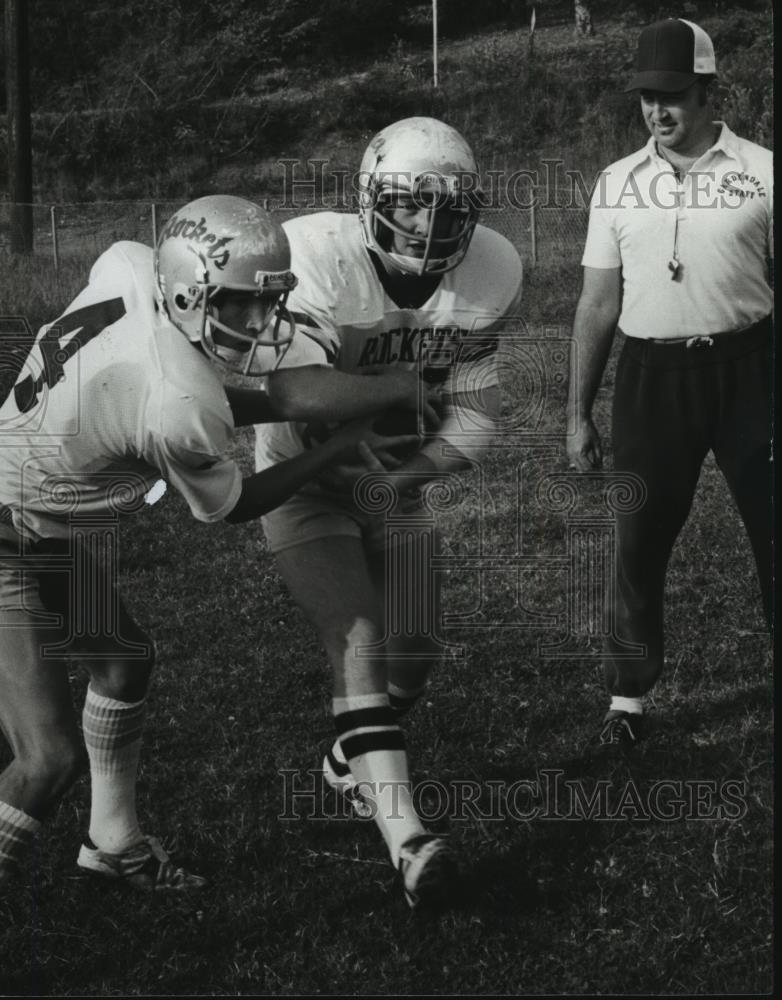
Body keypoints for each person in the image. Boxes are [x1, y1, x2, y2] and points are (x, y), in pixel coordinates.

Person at [0, 195, 433, 892]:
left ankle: (112, 845)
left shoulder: (129, 269)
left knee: (122, 664)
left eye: (269, 302)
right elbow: (238, 504)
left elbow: (185, 384)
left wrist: (320, 407)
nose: (261, 322)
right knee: (45, 759)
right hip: (9, 529)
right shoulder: (176, 402)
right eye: (241, 305)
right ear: (187, 289)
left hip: (29, 512)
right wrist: (343, 445)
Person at [254, 117, 523, 907]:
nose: (427, 223)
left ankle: (349, 763)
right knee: (360, 637)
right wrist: (380, 422)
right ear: (371, 198)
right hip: (302, 477)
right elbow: (294, 397)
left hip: (391, 480)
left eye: (446, 208)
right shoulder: (318, 256)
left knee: (416, 655)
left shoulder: (491, 268)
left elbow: (475, 410)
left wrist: (403, 479)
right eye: (408, 202)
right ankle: (408, 842)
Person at [566, 19, 773, 752]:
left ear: (709, 90)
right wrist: (577, 414)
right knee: (639, 540)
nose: (658, 110)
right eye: (647, 97)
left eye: (673, 95)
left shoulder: (764, 172)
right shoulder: (615, 183)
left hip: (752, 370)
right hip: (653, 377)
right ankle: (628, 697)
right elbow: (597, 303)